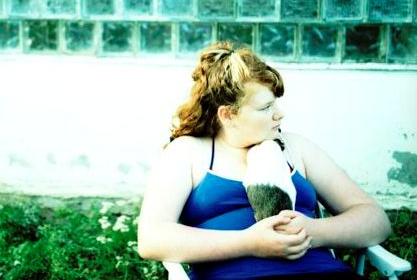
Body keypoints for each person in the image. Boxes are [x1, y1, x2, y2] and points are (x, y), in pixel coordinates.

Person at [137, 41, 391, 280]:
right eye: (265, 108)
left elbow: (375, 220)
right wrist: (250, 243)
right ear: (227, 115)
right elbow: (152, 238)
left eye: (275, 104)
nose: (279, 115)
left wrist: (312, 231)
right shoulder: (188, 152)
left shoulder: (295, 148)